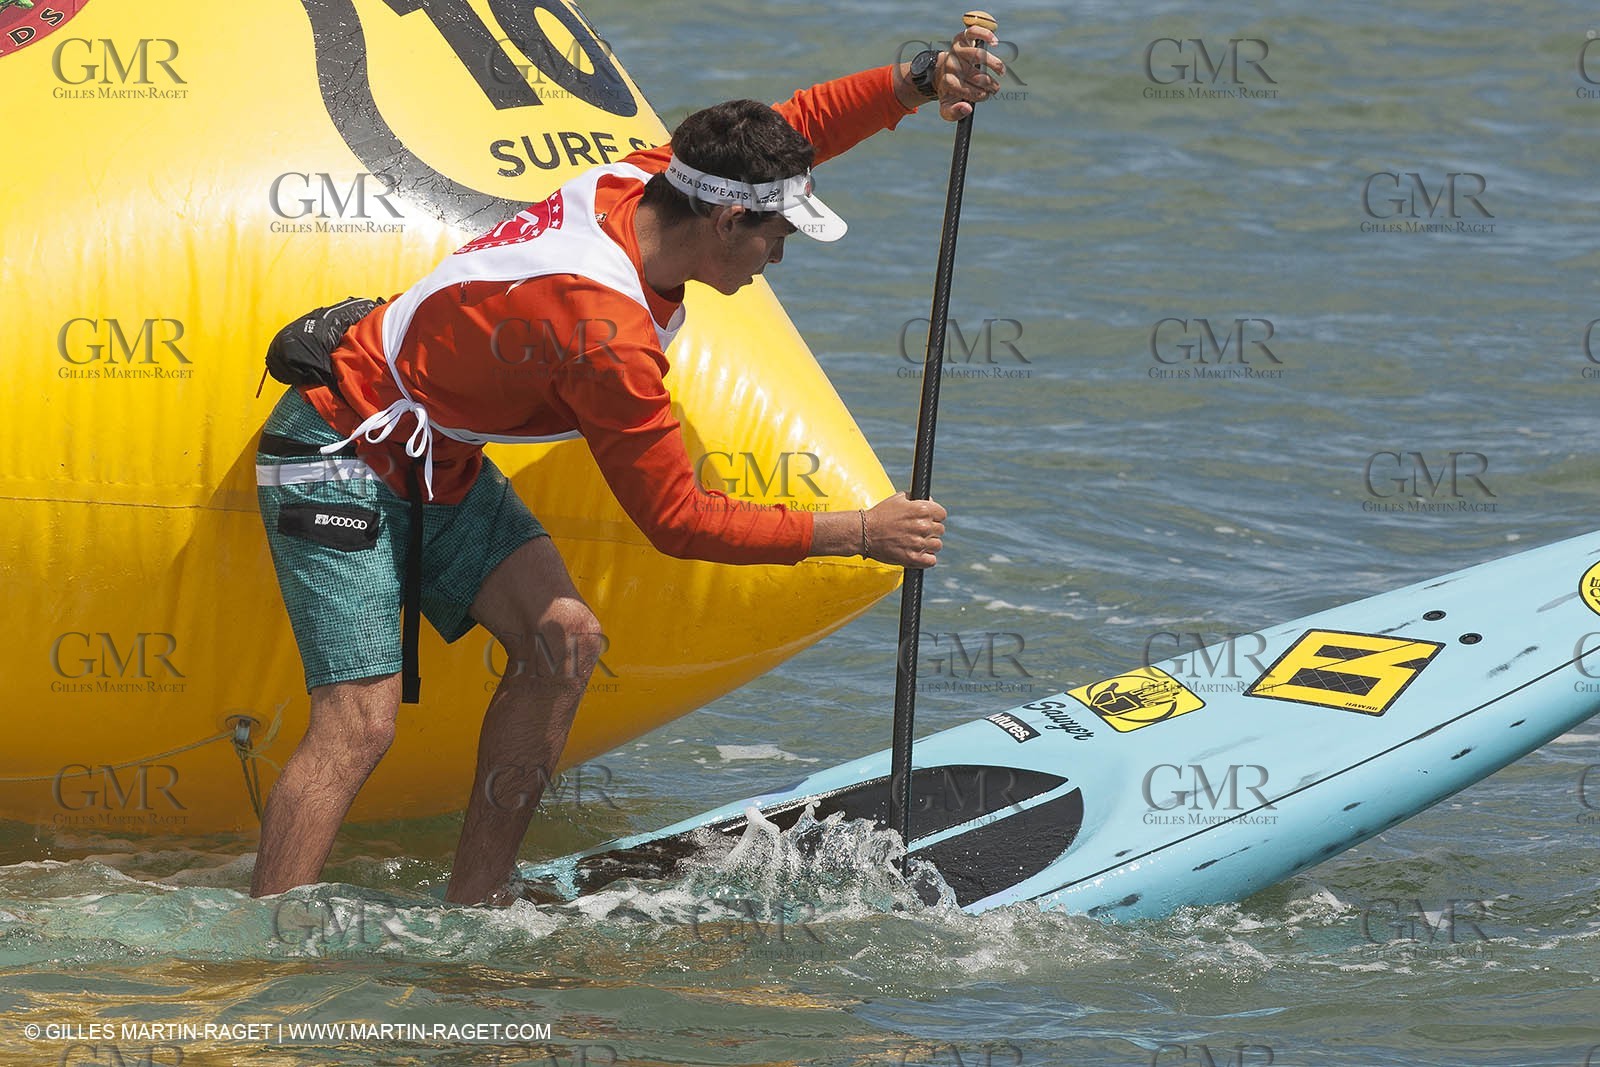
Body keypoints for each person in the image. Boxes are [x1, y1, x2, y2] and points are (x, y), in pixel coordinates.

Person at [249, 19, 1004, 904]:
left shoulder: (649, 178)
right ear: (727, 221)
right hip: (337, 449)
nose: (780, 256)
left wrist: (920, 78)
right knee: (359, 723)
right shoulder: (605, 337)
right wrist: (860, 531)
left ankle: (479, 900)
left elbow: (794, 125)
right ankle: (265, 949)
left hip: (433, 456)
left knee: (566, 643)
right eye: (775, 238)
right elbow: (677, 520)